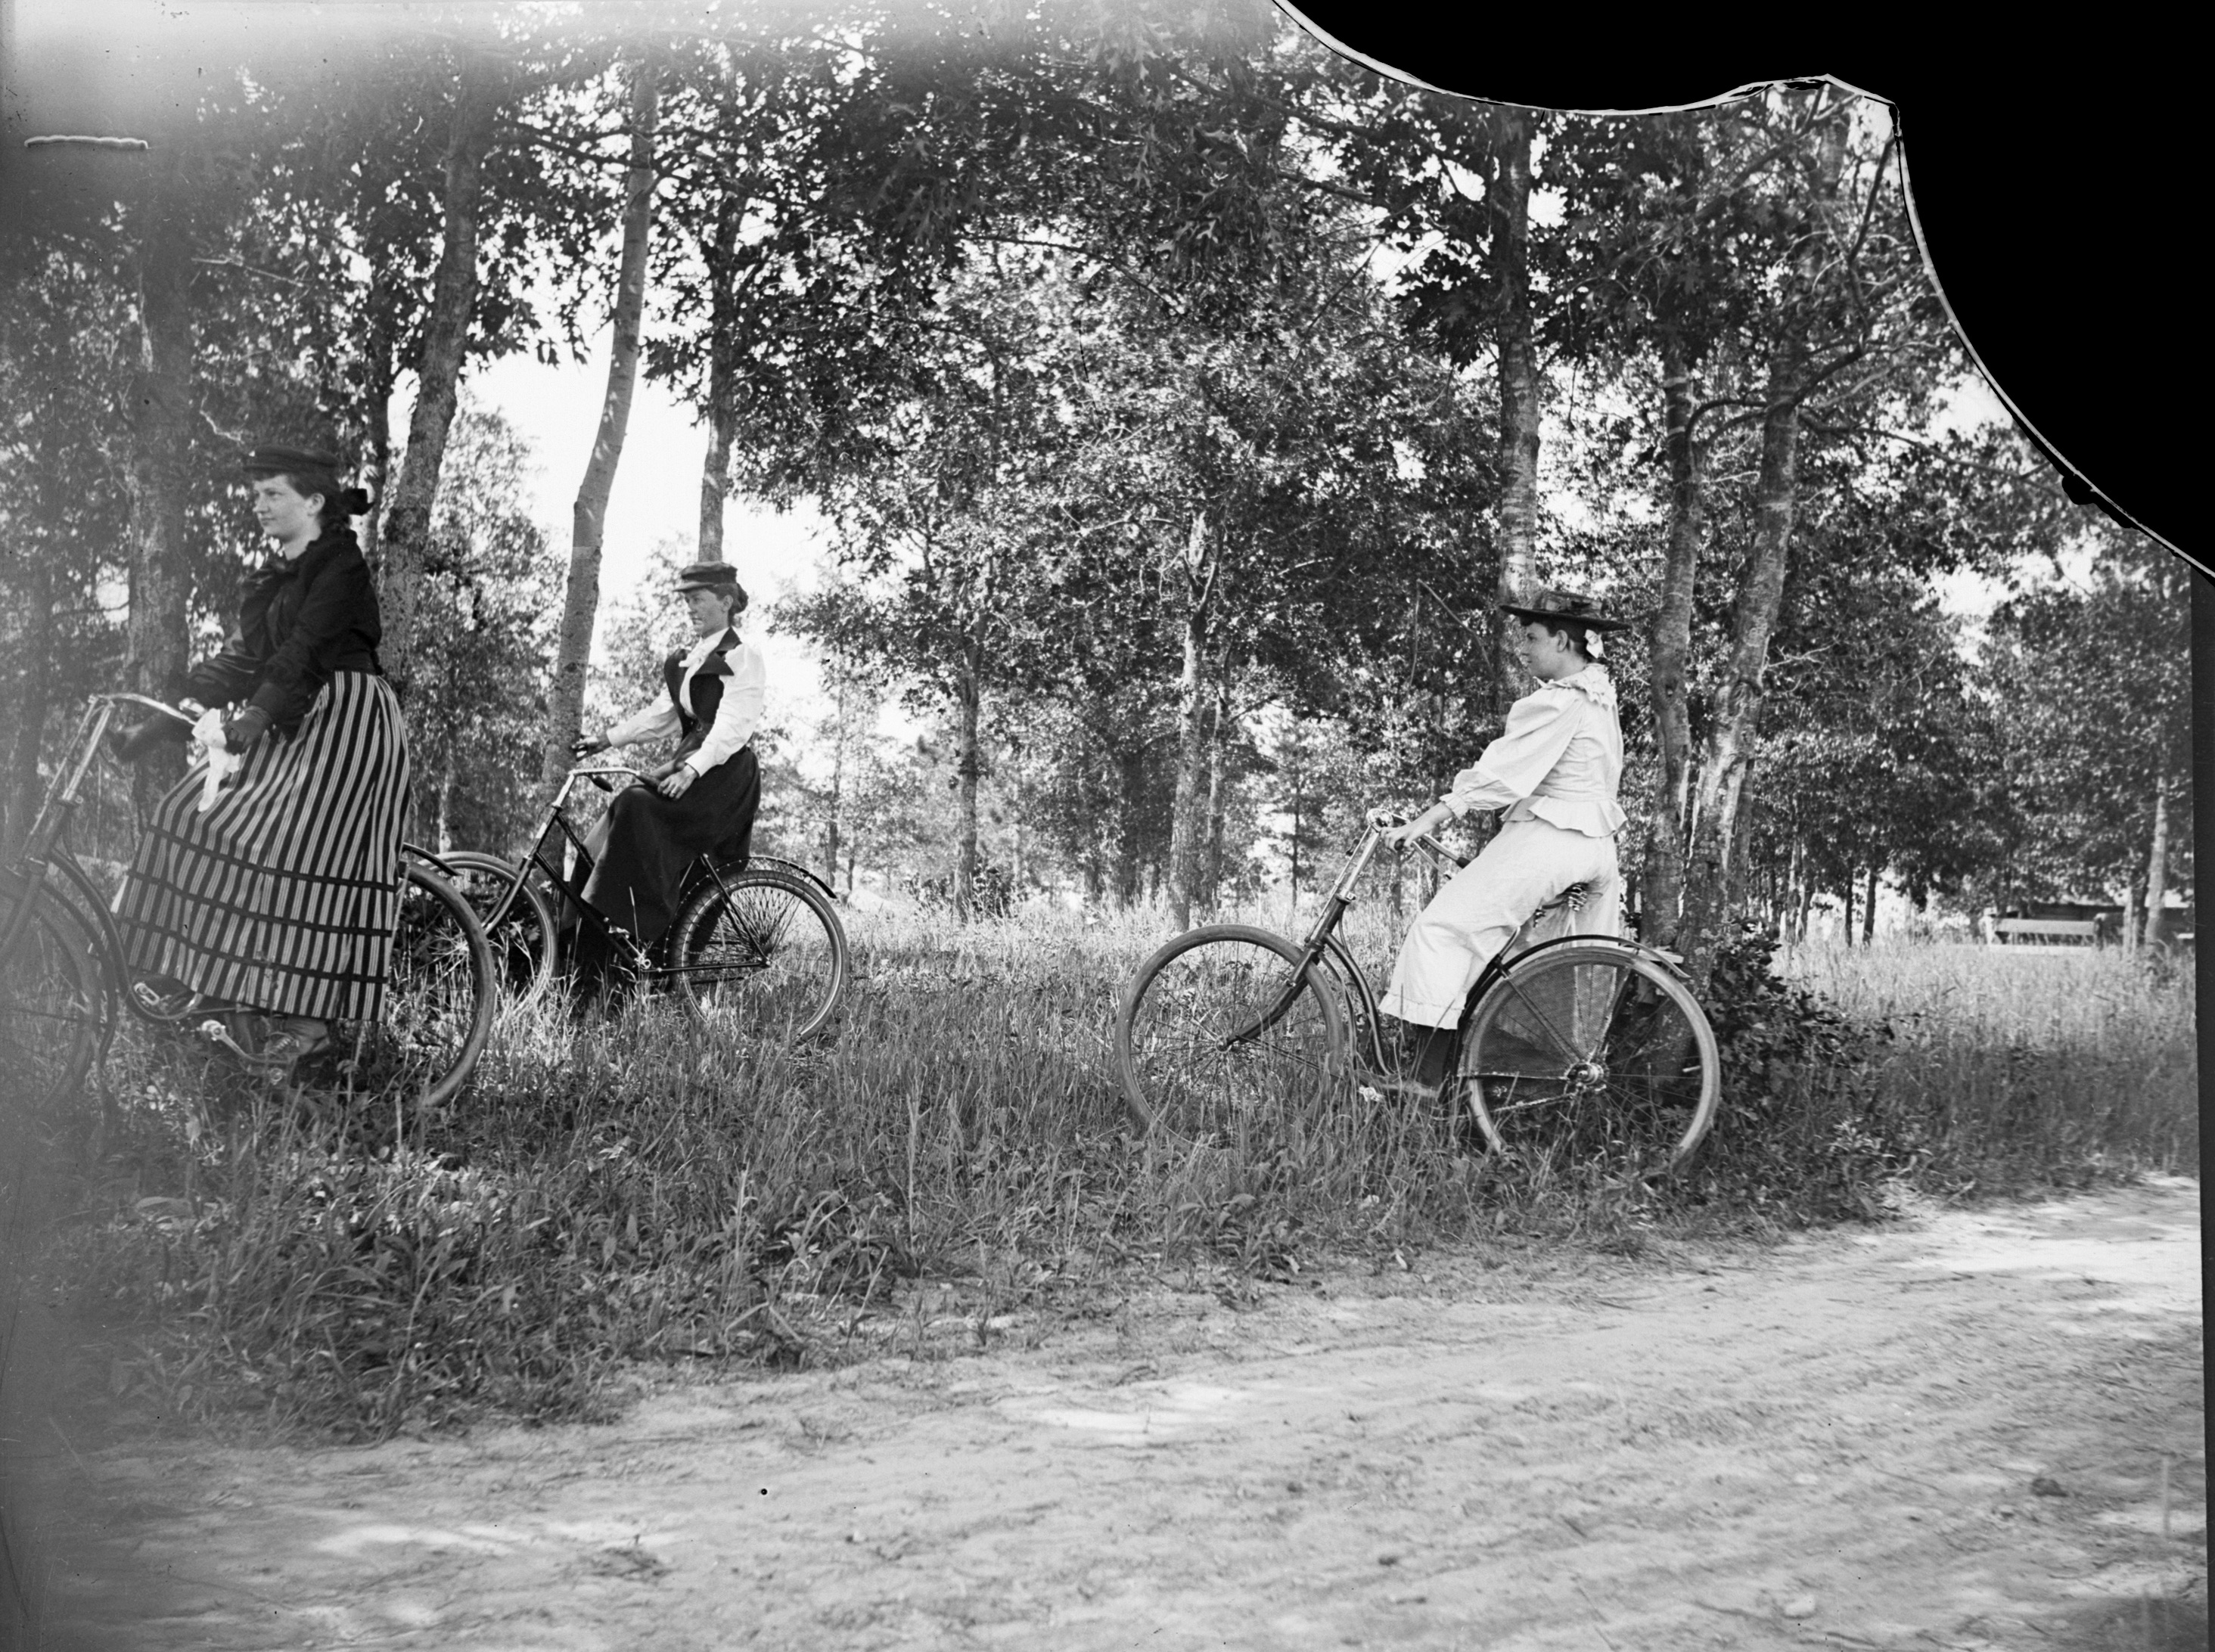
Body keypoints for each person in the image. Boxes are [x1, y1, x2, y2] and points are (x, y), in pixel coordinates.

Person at [113, 444, 409, 1073]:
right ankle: (188, 976)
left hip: (347, 722)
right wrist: (159, 721)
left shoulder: (341, 565)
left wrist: (256, 714)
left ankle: (309, 1027)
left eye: (272, 494)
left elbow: (307, 648)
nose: (259, 505)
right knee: (187, 816)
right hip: (287, 718)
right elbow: (245, 659)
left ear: (314, 503)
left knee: (304, 855)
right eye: (256, 495)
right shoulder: (277, 576)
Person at [1367, 588, 1633, 1095]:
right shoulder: (1601, 694)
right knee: (1519, 959)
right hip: (1593, 846)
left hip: (1555, 837)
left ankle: (1425, 1088)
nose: (1524, 649)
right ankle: (1501, 1081)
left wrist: (1422, 823)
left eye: (1531, 638)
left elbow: (1501, 777)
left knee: (1441, 930)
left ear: (1561, 639)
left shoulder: (1562, 701)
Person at [567, 561, 766, 977]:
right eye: (687, 601)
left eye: (698, 600)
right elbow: (664, 716)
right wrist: (607, 739)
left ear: (726, 602)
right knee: (624, 808)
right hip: (692, 763)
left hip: (723, 774)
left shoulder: (741, 657)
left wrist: (690, 771)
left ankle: (642, 926)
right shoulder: (688, 660)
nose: (690, 608)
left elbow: (732, 726)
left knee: (638, 806)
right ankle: (598, 940)